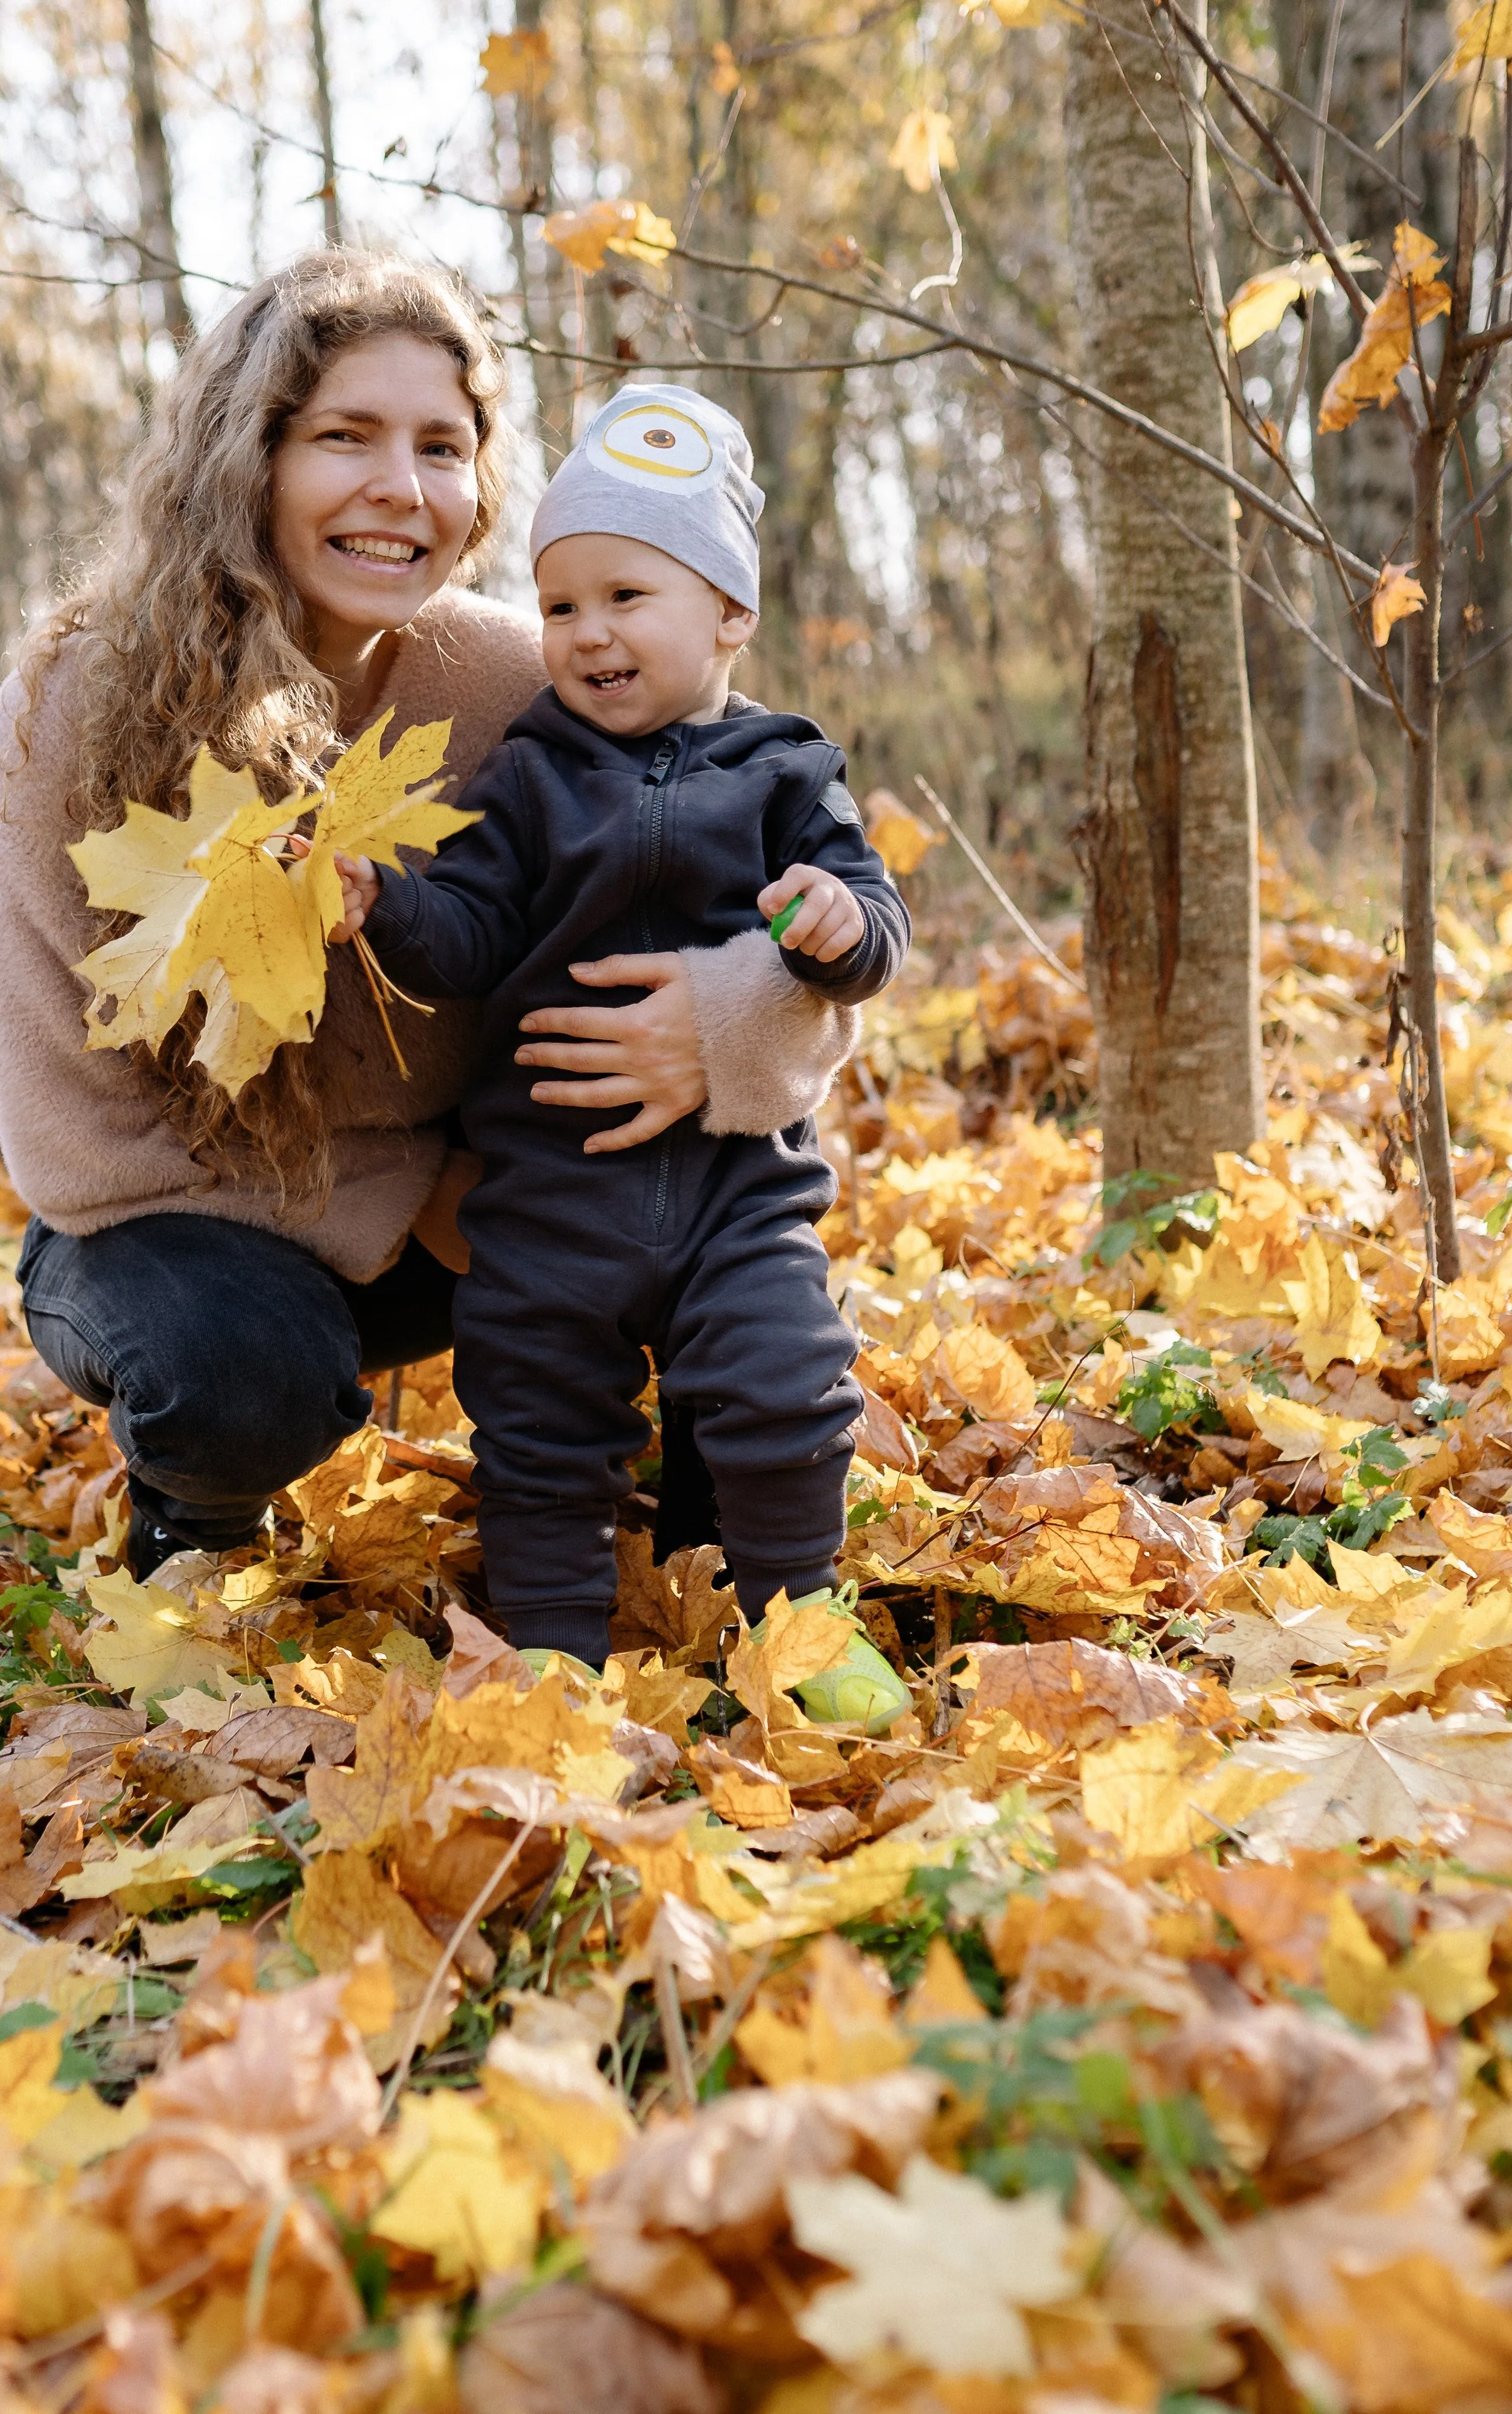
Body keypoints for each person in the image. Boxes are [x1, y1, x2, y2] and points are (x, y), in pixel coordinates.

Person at [0, 255, 858, 1583]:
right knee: (239, 1366)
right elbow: (76, 1141)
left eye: (443, 446)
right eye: (346, 436)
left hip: (485, 1212)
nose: (403, 487)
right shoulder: (74, 704)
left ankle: (716, 1527)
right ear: (247, 458)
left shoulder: (521, 672)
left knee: (718, 1218)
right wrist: (430, 1193)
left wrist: (727, 1028)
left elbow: (774, 856)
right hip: (174, 1231)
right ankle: (197, 1521)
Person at [328, 383, 907, 1693]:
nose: (585, 634)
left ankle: (802, 1634)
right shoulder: (527, 774)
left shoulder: (788, 774)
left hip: (735, 1190)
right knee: (536, 1427)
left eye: (626, 596)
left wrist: (829, 921)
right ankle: (552, 1663)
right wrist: (392, 906)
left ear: (731, 613)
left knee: (787, 1386)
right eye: (559, 605)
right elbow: (473, 934)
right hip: (547, 1196)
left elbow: (878, 927)